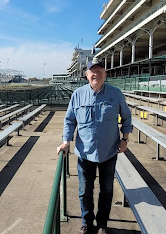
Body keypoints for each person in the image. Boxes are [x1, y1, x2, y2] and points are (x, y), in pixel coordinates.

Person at [57, 58, 132, 234]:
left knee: (106, 190)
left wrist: (125, 139)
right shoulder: (78, 94)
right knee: (85, 191)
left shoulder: (116, 94)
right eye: (92, 71)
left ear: (105, 74)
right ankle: (87, 222)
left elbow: (127, 117)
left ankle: (102, 223)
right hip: (85, 152)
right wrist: (66, 141)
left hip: (109, 151)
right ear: (86, 75)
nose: (96, 74)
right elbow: (69, 120)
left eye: (100, 71)